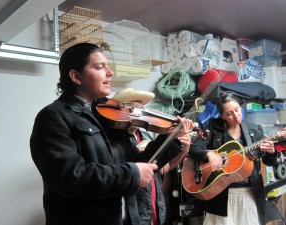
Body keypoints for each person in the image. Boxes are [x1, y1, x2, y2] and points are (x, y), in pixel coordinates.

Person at [30, 43, 193, 225]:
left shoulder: (108, 117)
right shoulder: (54, 116)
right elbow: (70, 176)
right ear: (76, 76)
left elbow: (142, 162)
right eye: (100, 67)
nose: (110, 73)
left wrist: (170, 139)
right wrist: (131, 174)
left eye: (108, 66)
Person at [188, 92, 278, 225]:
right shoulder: (213, 129)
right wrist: (209, 155)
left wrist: (272, 152)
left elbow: (269, 161)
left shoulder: (255, 130)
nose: (236, 116)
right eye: (229, 113)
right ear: (222, 115)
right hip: (220, 193)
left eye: (237, 110)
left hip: (249, 192)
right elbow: (194, 150)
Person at [109, 88, 193, 225]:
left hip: (153, 205)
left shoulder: (145, 135)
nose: (140, 113)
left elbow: (164, 168)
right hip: (135, 209)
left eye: (141, 109)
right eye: (133, 109)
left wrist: (184, 149)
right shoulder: (115, 140)